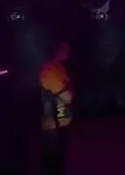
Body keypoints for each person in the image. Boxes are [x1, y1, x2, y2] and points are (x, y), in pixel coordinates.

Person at [39, 41, 73, 175]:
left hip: (61, 119)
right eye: (65, 48)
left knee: (59, 158)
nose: (68, 51)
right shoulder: (48, 71)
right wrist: (67, 92)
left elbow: (70, 86)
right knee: (51, 160)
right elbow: (67, 97)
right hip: (51, 124)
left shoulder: (59, 68)